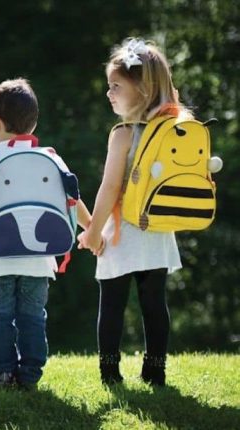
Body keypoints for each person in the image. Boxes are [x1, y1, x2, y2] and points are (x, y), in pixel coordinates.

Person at [0, 79, 91, 389]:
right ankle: (30, 373)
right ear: (33, 123)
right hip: (39, 259)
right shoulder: (51, 158)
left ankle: (1, 372)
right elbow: (73, 201)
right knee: (33, 316)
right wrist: (91, 229)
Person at [78, 38, 189, 386]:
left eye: (116, 86)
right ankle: (155, 370)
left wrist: (93, 231)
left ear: (142, 89)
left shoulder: (123, 135)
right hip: (158, 230)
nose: (109, 93)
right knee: (154, 304)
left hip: (122, 232)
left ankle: (110, 373)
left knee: (112, 304)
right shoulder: (174, 131)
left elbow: (110, 188)